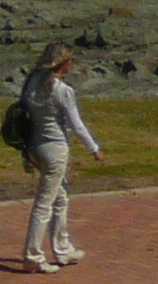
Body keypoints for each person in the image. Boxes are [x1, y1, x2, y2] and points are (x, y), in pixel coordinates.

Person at [16, 44, 102, 273]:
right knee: (44, 204)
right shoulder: (62, 91)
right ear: (63, 63)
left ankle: (62, 249)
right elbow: (76, 125)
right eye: (71, 59)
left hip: (34, 147)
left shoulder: (32, 81)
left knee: (60, 197)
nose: (73, 63)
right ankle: (32, 256)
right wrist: (94, 148)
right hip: (55, 150)